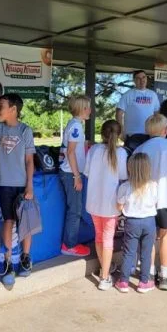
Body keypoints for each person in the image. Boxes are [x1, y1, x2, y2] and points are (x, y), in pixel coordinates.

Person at [134, 114, 167, 290]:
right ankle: (164, 275)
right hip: (165, 198)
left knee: (148, 238)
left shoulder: (140, 148)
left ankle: (149, 272)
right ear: (165, 130)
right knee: (165, 235)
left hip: (145, 200)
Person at [0, 93, 35, 285]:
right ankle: (8, 261)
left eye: (1, 106)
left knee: (25, 222)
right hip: (4, 183)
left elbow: (29, 160)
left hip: (21, 184)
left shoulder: (25, 130)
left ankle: (25, 258)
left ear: (13, 109)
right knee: (8, 221)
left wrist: (29, 185)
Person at [85, 120, 128, 290]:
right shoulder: (121, 153)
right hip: (111, 203)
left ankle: (105, 270)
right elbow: (123, 176)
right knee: (108, 239)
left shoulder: (94, 150)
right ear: (119, 134)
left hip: (94, 201)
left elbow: (86, 172)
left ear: (102, 133)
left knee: (99, 236)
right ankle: (104, 276)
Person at [115, 153, 158, 294]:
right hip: (149, 222)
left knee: (129, 253)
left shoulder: (125, 187)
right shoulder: (153, 185)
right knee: (146, 253)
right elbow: (156, 203)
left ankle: (123, 282)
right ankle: (144, 282)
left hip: (132, 222)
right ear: (148, 168)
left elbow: (119, 207)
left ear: (129, 168)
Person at [59, 95, 92, 257]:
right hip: (70, 173)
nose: (90, 110)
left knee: (75, 208)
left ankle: (70, 242)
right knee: (75, 210)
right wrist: (77, 176)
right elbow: (71, 152)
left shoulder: (75, 124)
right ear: (82, 109)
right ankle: (69, 245)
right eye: (88, 107)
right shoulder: (76, 126)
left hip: (70, 172)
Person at [116, 70, 160, 151]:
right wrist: (121, 131)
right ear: (134, 80)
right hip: (132, 135)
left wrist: (158, 131)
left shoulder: (153, 95)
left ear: (146, 78)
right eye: (138, 78)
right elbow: (119, 113)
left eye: (143, 77)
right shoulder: (128, 94)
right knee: (132, 158)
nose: (141, 80)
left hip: (149, 134)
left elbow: (157, 114)